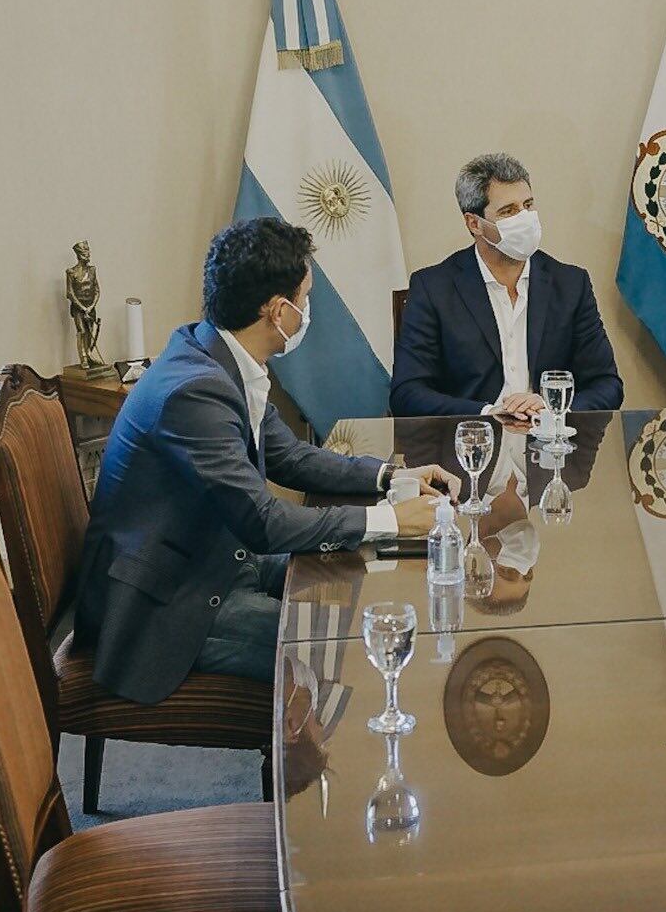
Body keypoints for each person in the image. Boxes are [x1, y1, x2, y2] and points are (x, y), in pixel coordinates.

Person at [75, 218, 459, 704]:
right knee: (342, 642)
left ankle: (315, 743)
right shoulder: (195, 391)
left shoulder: (214, 355)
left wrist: (389, 477)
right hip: (165, 604)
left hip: (217, 560)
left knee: (353, 583)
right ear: (280, 311)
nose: (307, 309)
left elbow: (289, 456)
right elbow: (262, 522)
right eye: (306, 297)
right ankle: (308, 767)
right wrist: (389, 519)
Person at [390, 152, 623, 418]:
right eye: (508, 211)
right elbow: (406, 393)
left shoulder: (570, 284)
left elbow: (607, 385)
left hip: (551, 445)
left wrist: (553, 409)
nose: (524, 218)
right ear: (474, 223)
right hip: (473, 444)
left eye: (528, 205)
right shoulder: (433, 288)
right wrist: (489, 412)